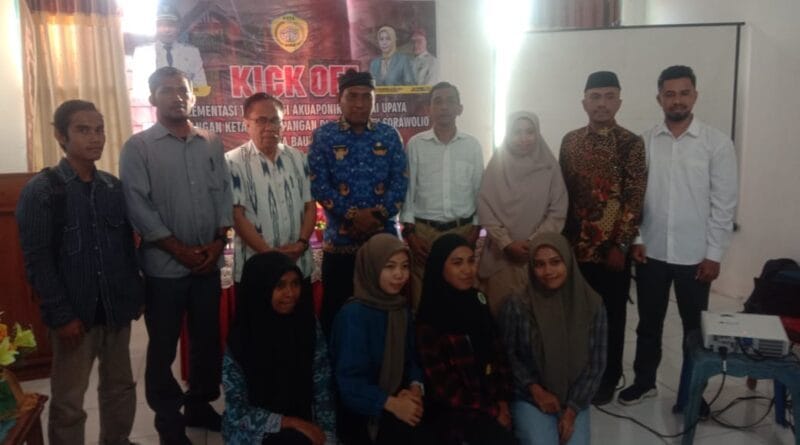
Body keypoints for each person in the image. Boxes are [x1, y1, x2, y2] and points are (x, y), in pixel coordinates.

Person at [16, 100, 144, 445]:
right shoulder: (42, 191)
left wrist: (135, 294)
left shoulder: (112, 187)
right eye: (83, 130)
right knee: (70, 400)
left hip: (115, 309)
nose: (95, 138)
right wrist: (61, 315)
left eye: (99, 129)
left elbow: (126, 249)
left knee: (120, 387)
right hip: (74, 316)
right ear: (61, 136)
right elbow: (37, 261)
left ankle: (117, 441)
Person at [120, 66, 232, 444]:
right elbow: (137, 206)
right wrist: (179, 250)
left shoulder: (211, 142)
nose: (177, 96)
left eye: (183, 90)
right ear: (153, 98)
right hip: (164, 269)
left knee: (206, 342)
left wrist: (218, 243)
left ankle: (199, 405)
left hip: (207, 264)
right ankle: (169, 422)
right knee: (163, 347)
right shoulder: (138, 147)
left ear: (193, 96)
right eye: (167, 90)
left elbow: (224, 195)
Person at [618, 65, 738, 409]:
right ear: (659, 99)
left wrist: (714, 254)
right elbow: (633, 198)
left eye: (684, 93)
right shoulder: (644, 142)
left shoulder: (716, 144)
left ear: (695, 96)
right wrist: (636, 239)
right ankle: (644, 382)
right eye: (669, 94)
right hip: (651, 250)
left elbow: (724, 204)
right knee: (648, 323)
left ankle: (693, 392)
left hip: (695, 255)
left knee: (694, 329)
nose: (677, 100)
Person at [558, 71, 647, 405]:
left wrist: (621, 244)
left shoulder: (630, 143)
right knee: (577, 315)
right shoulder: (570, 142)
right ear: (584, 102)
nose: (602, 104)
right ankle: (578, 372)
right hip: (575, 248)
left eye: (609, 96)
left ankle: (608, 378)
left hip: (612, 252)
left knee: (611, 317)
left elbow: (634, 198)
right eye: (595, 97)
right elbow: (563, 194)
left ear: (619, 102)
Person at [308, 69, 408, 336]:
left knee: (384, 314)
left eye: (366, 97)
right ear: (339, 99)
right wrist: (353, 216)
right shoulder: (324, 136)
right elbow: (319, 184)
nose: (360, 103)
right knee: (338, 315)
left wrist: (376, 217)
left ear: (374, 101)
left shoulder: (389, 135)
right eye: (352, 96)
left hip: (383, 243)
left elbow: (400, 183)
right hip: (340, 244)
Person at [500, 233, 607, 445]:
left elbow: (596, 365)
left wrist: (572, 410)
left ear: (568, 261)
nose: (548, 271)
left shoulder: (592, 305)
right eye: (539, 265)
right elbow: (507, 355)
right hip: (530, 396)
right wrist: (535, 390)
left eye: (555, 262)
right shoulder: (518, 304)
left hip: (574, 398)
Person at [222, 252, 336, 445]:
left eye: (295, 283)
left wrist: (327, 433)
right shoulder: (243, 338)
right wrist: (291, 423)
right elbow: (237, 412)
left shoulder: (306, 324)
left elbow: (322, 383)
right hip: (253, 430)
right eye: (280, 285)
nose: (290, 293)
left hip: (304, 420)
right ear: (260, 289)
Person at [329, 234, 432, 445]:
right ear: (372, 268)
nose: (399, 274)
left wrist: (415, 389)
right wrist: (392, 404)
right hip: (363, 412)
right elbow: (349, 382)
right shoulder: (353, 315)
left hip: (399, 399)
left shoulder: (400, 308)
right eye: (390, 266)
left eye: (405, 266)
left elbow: (411, 359)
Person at [415, 234, 516, 445]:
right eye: (457, 263)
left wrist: (502, 401)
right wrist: (492, 410)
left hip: (491, 402)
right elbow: (443, 388)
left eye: (471, 261)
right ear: (440, 267)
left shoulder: (478, 301)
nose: (467, 270)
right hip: (454, 412)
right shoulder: (430, 317)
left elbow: (499, 354)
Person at [401, 82, 483, 311]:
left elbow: (479, 190)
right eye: (438, 101)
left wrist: (475, 230)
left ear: (460, 108)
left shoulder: (472, 146)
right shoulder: (416, 144)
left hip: (462, 230)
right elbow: (408, 190)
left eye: (450, 101)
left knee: (461, 295)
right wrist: (410, 233)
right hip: (425, 234)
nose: (444, 107)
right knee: (423, 300)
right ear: (428, 109)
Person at [477, 111, 568, 315]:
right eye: (517, 132)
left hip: (539, 257)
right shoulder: (497, 165)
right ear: (508, 134)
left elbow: (558, 210)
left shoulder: (549, 167)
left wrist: (532, 243)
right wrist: (506, 243)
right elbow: (485, 206)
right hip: (500, 257)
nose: (523, 138)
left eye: (529, 132)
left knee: (536, 318)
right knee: (500, 316)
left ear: (538, 134)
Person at [226, 93, 316, 297]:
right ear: (246, 124)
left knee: (300, 318)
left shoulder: (298, 159)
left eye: (275, 120)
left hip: (298, 266)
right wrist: (271, 256)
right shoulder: (232, 162)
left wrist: (301, 244)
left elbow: (310, 206)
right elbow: (236, 216)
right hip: (256, 269)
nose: (269, 127)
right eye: (261, 120)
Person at [131, 4, 208, 98]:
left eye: (171, 25)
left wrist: (182, 94)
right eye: (161, 25)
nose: (167, 30)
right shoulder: (142, 53)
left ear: (178, 27)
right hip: (153, 105)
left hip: (184, 103)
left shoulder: (192, 53)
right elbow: (138, 90)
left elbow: (202, 89)